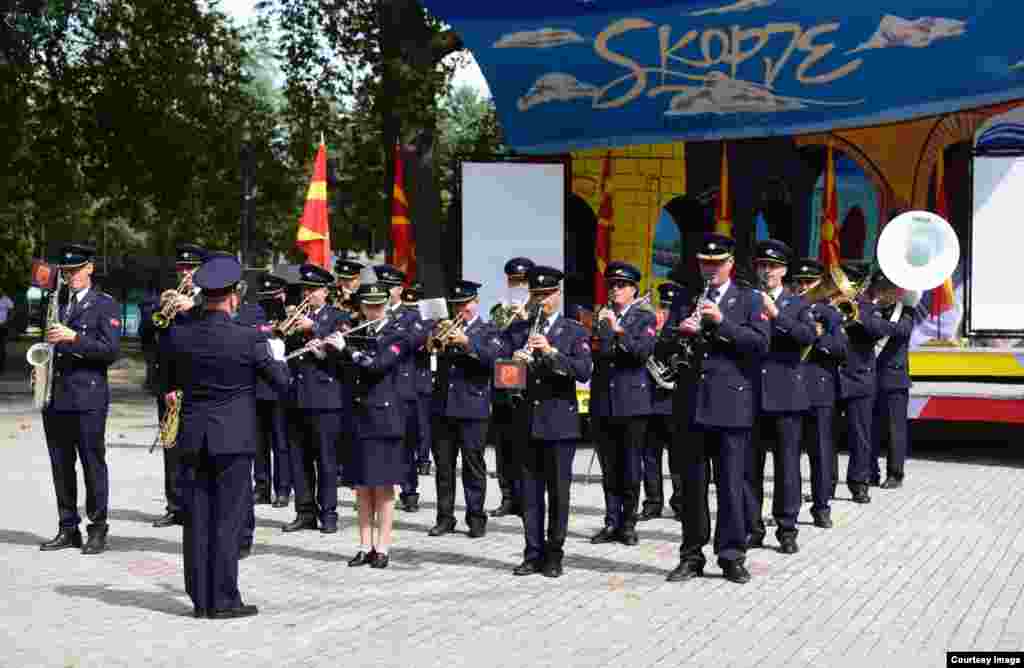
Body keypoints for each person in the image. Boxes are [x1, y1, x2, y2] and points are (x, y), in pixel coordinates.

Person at [160, 253, 289, 619]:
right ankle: (224, 599)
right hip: (233, 439)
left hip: (193, 435)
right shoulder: (247, 338)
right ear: (233, 295)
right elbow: (282, 384)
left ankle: (201, 599)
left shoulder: (179, 334)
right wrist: (276, 356)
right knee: (228, 520)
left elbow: (163, 381)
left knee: (197, 517)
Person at [665, 234, 769, 584]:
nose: (709, 269)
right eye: (704, 264)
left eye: (716, 263)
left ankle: (731, 555)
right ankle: (691, 555)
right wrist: (679, 332)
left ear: (730, 264)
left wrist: (723, 322)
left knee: (730, 484)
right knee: (692, 486)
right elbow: (662, 346)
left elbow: (759, 344)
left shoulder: (749, 299)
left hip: (731, 404)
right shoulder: (684, 298)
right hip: (691, 405)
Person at [503, 266, 592, 577]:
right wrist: (516, 365)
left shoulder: (573, 331)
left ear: (557, 295)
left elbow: (583, 371)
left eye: (546, 295)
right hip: (526, 420)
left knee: (558, 492)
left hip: (559, 421)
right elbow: (503, 379)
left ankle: (554, 553)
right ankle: (532, 551)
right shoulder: (517, 330)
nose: (541, 301)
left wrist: (552, 353)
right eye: (536, 295)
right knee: (529, 492)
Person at [39, 243, 122, 554]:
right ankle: (67, 527)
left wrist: (74, 338)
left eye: (75, 270)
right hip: (57, 396)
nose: (70, 276)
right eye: (66, 272)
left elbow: (110, 351)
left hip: (88, 397)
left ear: (90, 268)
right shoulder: (56, 302)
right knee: (61, 466)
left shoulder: (105, 305)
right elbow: (44, 344)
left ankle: (97, 529)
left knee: (92, 464)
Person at [326, 283, 411, 568]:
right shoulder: (356, 332)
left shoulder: (397, 333)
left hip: (385, 418)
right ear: (361, 307)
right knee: (361, 487)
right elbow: (344, 373)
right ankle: (365, 546)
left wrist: (346, 350)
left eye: (378, 305)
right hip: (358, 415)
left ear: (386, 304)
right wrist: (327, 353)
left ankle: (383, 547)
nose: (373, 310)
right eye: (368, 306)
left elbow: (377, 366)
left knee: (384, 487)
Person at [746, 240, 817, 555]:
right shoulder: (747, 300)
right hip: (752, 397)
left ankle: (787, 528)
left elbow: (807, 337)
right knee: (750, 468)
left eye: (772, 266)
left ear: (784, 271)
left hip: (787, 397)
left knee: (787, 467)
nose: (767, 271)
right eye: (762, 265)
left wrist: (776, 315)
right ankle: (751, 527)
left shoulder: (799, 304)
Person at [428, 280, 504, 538]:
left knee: (473, 466)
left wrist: (467, 342)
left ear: (476, 303)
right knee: (444, 468)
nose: (461, 309)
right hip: (443, 407)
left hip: (473, 407)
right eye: (457, 305)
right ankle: (445, 517)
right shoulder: (445, 328)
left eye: (465, 304)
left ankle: (476, 517)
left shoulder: (488, 329)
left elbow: (493, 361)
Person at [589, 261, 657, 546]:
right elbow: (595, 354)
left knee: (630, 466)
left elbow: (641, 353)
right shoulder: (600, 315)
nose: (616, 289)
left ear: (633, 290)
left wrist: (618, 332)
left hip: (632, 401)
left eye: (622, 285)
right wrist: (601, 329)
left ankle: (628, 523)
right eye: (612, 285)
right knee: (609, 467)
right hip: (604, 400)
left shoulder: (644, 318)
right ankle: (611, 520)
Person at [141, 243, 206, 529]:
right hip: (169, 383)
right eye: (182, 268)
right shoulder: (167, 297)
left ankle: (197, 506)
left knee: (198, 448)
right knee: (171, 445)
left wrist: (194, 307)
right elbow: (148, 333)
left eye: (191, 268)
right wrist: (161, 306)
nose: (186, 273)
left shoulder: (209, 299)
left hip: (199, 383)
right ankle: (175, 505)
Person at [282, 264, 349, 533]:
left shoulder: (337, 317)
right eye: (305, 290)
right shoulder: (295, 317)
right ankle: (304, 511)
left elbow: (343, 354)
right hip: (297, 396)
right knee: (299, 458)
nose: (308, 295)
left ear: (325, 291)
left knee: (326, 460)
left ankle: (329, 514)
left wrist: (314, 329)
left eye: (313, 290)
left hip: (325, 397)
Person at [792, 259, 847, 529]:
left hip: (819, 391)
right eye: (799, 282)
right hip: (790, 389)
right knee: (788, 454)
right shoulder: (788, 308)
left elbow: (840, 350)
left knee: (821, 452)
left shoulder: (832, 314)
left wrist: (818, 337)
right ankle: (789, 508)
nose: (803, 287)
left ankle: (821, 506)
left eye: (809, 283)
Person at [836, 260, 890, 503]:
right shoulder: (828, 302)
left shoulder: (868, 306)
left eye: (851, 281)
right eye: (843, 280)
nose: (845, 285)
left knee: (860, 435)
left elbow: (877, 330)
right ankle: (825, 487)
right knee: (826, 436)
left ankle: (859, 483)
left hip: (859, 377)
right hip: (833, 377)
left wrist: (854, 315)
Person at [488, 256, 535, 518]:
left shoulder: (538, 312)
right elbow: (494, 341)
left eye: (521, 281)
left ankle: (526, 498)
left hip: (527, 384)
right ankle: (508, 497)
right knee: (503, 445)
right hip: (503, 380)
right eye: (513, 281)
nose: (516, 285)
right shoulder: (499, 309)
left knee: (524, 445)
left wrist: (526, 319)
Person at [868, 270, 919, 489]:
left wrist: (874, 324)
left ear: (897, 291)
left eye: (887, 289)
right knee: (869, 429)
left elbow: (902, 330)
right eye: (880, 289)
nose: (883, 294)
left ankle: (895, 474)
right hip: (871, 376)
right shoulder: (870, 310)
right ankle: (869, 471)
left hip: (894, 378)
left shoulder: (906, 310)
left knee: (894, 430)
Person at [640, 280, 684, 521]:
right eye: (663, 305)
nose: (665, 311)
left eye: (670, 306)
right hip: (648, 398)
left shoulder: (680, 330)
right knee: (649, 454)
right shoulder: (649, 326)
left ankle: (679, 502)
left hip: (673, 399)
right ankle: (652, 502)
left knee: (677, 456)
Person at [253, 273, 293, 509]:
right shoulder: (254, 316)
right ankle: (261, 486)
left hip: (280, 388)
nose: (271, 300)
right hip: (257, 385)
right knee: (259, 443)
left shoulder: (293, 316)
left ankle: (283, 488)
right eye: (267, 296)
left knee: (281, 442)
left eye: (275, 295)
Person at [396, 282, 434, 512]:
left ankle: (410, 489)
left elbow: (425, 346)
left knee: (417, 431)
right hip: (387, 384)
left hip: (414, 382)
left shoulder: (417, 319)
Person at [0, 288, 16, 374]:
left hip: (2, 326)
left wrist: (7, 322)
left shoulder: (6, 300)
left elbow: (12, 312)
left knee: (1, 347)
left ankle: (1, 366)